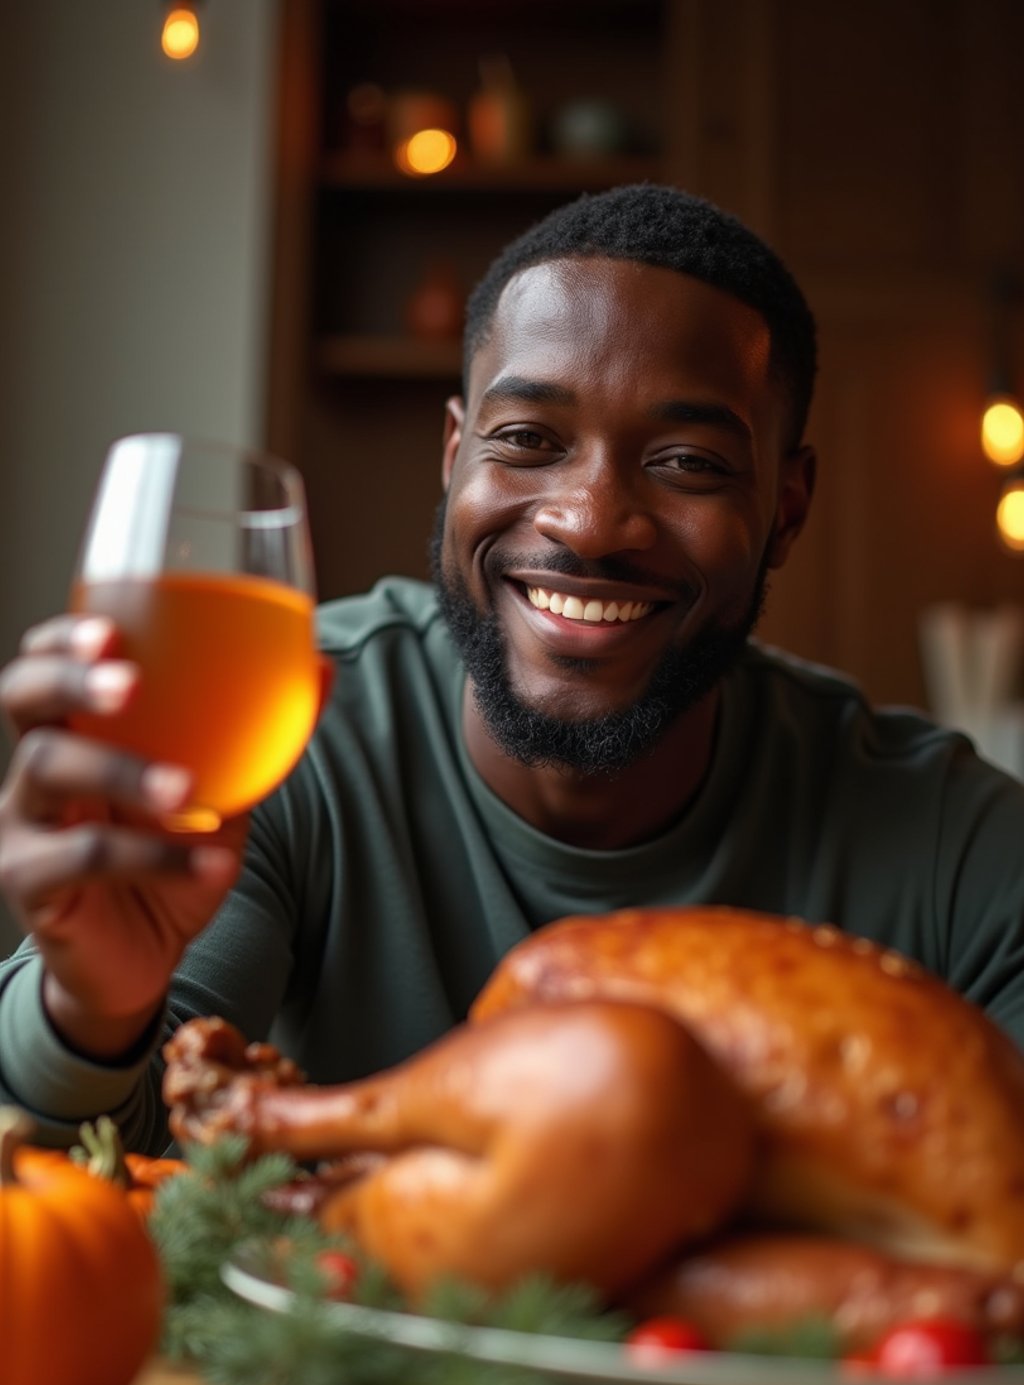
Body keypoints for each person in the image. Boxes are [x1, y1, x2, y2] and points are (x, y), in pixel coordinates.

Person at [0, 183, 1022, 1154]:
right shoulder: (276, 735)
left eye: (687, 463)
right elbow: (95, 1182)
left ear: (785, 511)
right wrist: (90, 1012)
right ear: (455, 459)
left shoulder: (954, 851)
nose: (589, 522)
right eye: (527, 439)